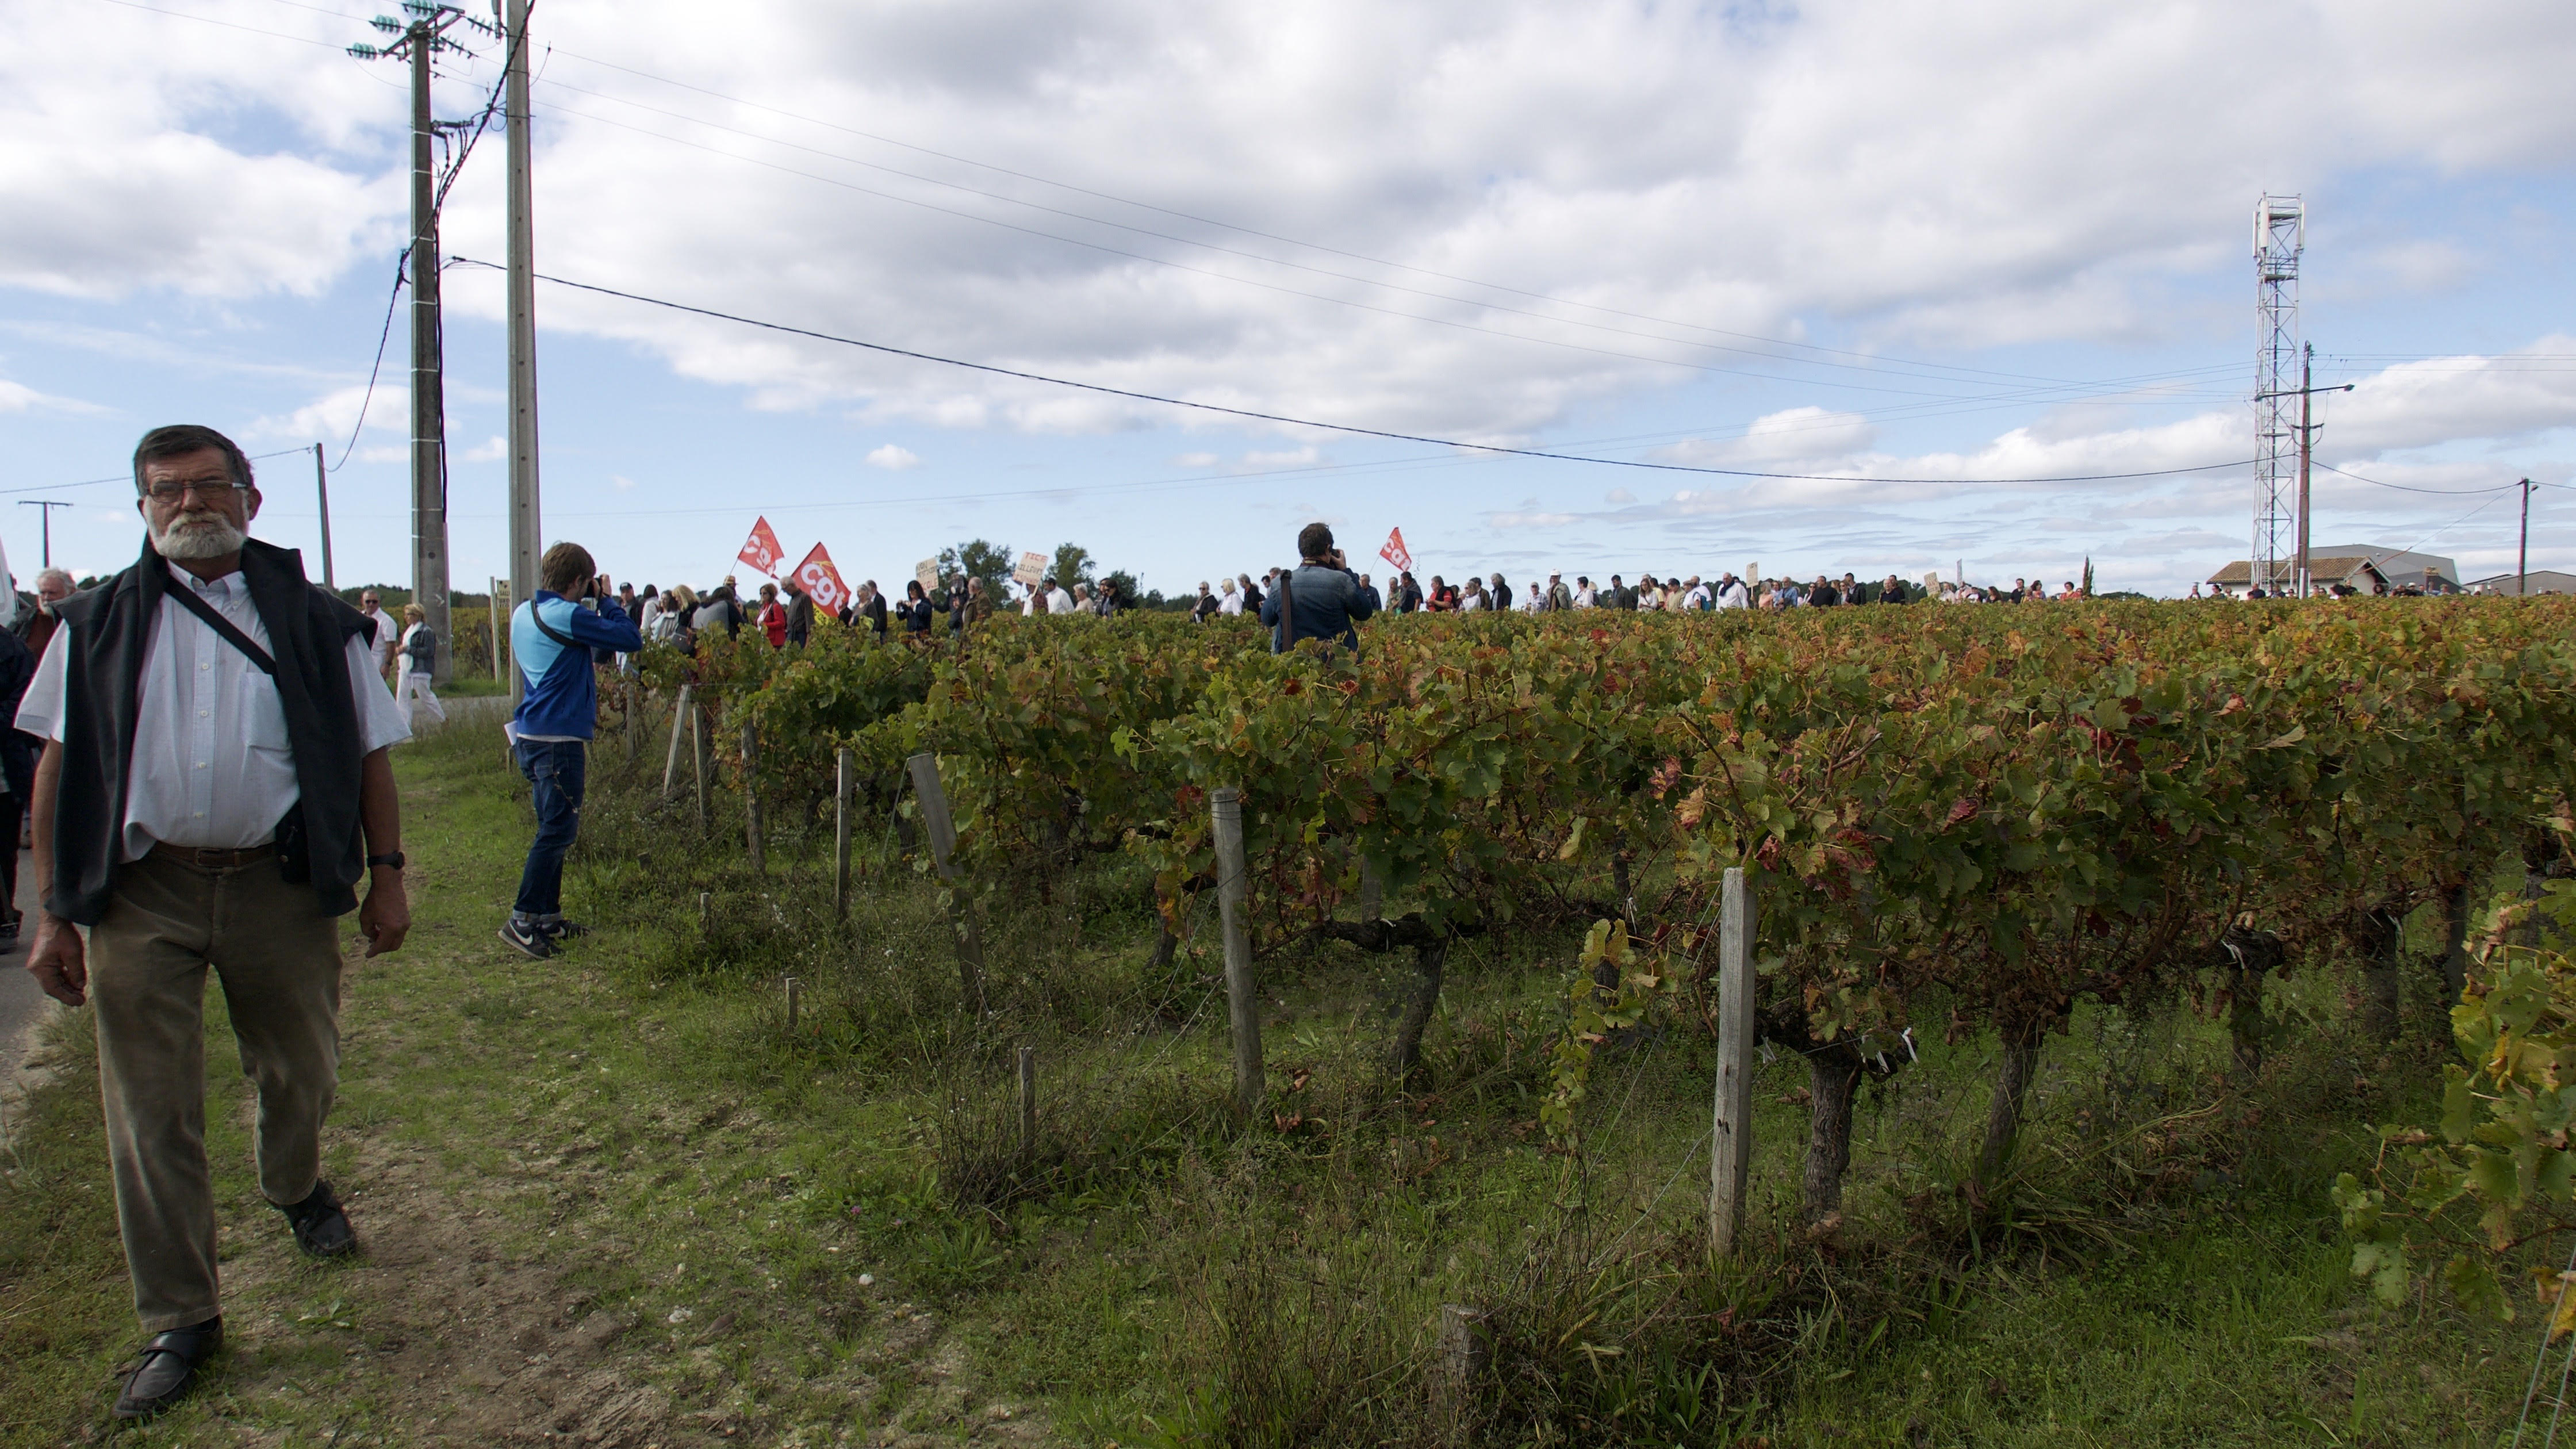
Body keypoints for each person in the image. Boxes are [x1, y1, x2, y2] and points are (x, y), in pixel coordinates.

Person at [17, 424, 412, 1420]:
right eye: (167, 491)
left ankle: (294, 1183)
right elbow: (56, 768)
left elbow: (370, 755)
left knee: (302, 1069)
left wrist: (390, 876)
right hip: (142, 892)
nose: (189, 504)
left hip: (279, 888)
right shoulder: (94, 622)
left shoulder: (320, 624)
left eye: (209, 486)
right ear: (143, 510)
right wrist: (57, 913)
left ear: (250, 499)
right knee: (150, 1109)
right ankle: (182, 1319)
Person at [501, 541, 641, 959]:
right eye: (588, 585)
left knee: (553, 824)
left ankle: (547, 915)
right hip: (558, 737)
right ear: (580, 581)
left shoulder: (523, 613)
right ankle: (523, 918)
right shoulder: (568, 615)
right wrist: (607, 600)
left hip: (530, 733)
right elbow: (629, 639)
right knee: (557, 831)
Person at [1258, 523, 1375, 652]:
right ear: (1328, 549)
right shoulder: (1341, 580)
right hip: (1335, 664)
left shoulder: (1281, 582)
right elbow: (1364, 612)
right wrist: (1346, 570)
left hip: (1294, 664)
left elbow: (1268, 620)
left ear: (1301, 550)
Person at [0, 622, 34, 939]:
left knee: (3, 849)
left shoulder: (12, 649)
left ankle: (4, 917)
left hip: (6, 773)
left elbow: (25, 702)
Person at [393, 603, 445, 731]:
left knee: (425, 696)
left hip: (421, 669)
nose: (406, 617)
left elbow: (428, 651)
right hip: (406, 668)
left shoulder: (426, 632)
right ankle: (405, 726)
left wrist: (407, 650)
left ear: (417, 615)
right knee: (402, 697)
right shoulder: (408, 632)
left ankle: (442, 720)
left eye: (409, 614)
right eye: (406, 615)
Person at [14, 566, 73, 660]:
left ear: (69, 593)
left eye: (52, 593)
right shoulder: (22, 623)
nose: (46, 598)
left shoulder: (79, 621)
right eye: (42, 593)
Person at [357, 589, 398, 684]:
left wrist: (387, 665)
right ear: (363, 602)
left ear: (379, 602)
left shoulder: (386, 621)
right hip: (361, 662)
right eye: (368, 601)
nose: (371, 604)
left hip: (377, 663)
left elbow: (391, 645)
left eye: (374, 602)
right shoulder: (358, 618)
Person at [783, 577, 814, 647]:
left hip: (800, 635)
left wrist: (809, 638)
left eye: (785, 589)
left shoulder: (804, 598)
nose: (785, 592)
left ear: (791, 586)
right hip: (791, 634)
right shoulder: (792, 600)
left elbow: (809, 619)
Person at [756, 582, 787, 648]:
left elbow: (781, 623)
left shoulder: (775, 606)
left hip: (774, 641)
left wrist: (766, 625)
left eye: (765, 593)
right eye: (761, 594)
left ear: (770, 594)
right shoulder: (764, 607)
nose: (762, 595)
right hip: (765, 639)